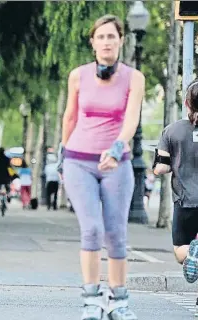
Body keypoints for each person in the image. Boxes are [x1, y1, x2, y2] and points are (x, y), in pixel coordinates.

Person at [57, 15, 145, 320]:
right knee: (92, 230)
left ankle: (119, 301)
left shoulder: (134, 78)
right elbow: (69, 117)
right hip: (78, 161)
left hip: (116, 163)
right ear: (92, 42)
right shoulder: (78, 76)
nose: (107, 42)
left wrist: (118, 147)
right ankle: (92, 299)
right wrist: (61, 155)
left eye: (112, 36)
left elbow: (131, 119)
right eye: (101, 37)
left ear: (121, 41)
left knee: (116, 234)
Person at [153, 79, 198, 318]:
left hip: (185, 200)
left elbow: (161, 168)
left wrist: (163, 165)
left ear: (186, 103)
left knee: (180, 250)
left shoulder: (172, 131)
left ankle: (191, 253)